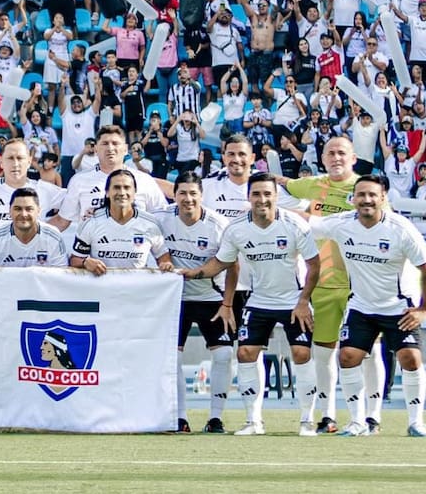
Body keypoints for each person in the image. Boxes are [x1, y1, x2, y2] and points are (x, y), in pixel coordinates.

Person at [179, 172, 321, 436]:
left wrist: (303, 301)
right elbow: (221, 262)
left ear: (276, 197)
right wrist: (193, 272)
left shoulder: (294, 225)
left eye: (268, 194)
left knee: (301, 354)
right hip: (259, 300)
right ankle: (253, 421)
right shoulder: (237, 228)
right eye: (256, 194)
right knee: (245, 354)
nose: (262, 199)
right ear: (248, 197)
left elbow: (314, 265)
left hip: (293, 299)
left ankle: (306, 419)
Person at [280, 136, 391, 434]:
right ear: (323, 157)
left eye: (342, 152)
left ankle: (373, 415)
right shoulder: (312, 184)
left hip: (362, 286)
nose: (336, 157)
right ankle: (327, 415)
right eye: (330, 153)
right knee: (324, 351)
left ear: (353, 157)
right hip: (325, 284)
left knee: (367, 352)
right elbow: (281, 186)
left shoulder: (366, 190)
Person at [309, 175, 426, 436]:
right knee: (348, 357)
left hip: (398, 306)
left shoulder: (401, 229)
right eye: (361, 195)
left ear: (383, 198)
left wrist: (421, 309)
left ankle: (416, 422)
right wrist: (274, 209)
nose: (366, 200)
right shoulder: (342, 224)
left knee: (411, 358)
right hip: (361, 306)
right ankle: (357, 422)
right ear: (353, 199)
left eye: (372, 195)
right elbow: (309, 223)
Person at [155, 172, 236, 434]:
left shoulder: (218, 224)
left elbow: (232, 264)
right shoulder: (160, 218)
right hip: (174, 298)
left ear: (201, 195)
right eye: (182, 193)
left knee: (223, 355)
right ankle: (179, 417)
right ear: (174, 194)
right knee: (172, 358)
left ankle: (215, 418)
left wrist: (227, 303)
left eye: (193, 193)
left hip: (210, 296)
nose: (188, 199)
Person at [49, 125, 168, 232]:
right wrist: (33, 233)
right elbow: (62, 221)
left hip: (134, 250)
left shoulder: (144, 180)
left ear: (126, 149)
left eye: (115, 143)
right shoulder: (79, 180)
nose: (110, 148)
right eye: (105, 144)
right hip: (91, 253)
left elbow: (163, 218)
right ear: (96, 149)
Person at [70, 169, 169, 275]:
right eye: (116, 187)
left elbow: (163, 258)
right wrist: (85, 262)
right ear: (107, 192)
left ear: (135, 192)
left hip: (138, 288)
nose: (122, 193)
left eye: (127, 188)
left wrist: (166, 265)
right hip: (102, 288)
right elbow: (74, 260)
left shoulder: (150, 224)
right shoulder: (91, 222)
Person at [0, 139, 65, 227]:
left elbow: (75, 203)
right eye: (10, 158)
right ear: (1, 162)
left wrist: (46, 231)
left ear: (29, 162)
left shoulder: (44, 190)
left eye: (20, 158)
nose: (15, 164)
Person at [0, 187, 68, 266]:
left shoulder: (53, 237)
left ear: (39, 211)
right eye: (18, 209)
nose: (23, 214)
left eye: (29, 209)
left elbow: (61, 275)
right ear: (10, 211)